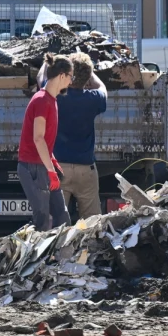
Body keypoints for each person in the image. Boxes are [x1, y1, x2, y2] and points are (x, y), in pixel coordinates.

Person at [18, 55, 73, 231]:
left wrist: (52, 162)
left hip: (42, 166)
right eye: (70, 76)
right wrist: (50, 170)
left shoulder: (50, 99)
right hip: (33, 168)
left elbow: (44, 140)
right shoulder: (42, 100)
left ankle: (62, 250)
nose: (71, 81)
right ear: (62, 76)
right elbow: (38, 138)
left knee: (62, 217)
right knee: (42, 221)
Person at [53, 54, 107, 221]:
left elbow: (42, 80)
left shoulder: (56, 96)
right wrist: (90, 74)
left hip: (59, 169)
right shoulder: (93, 99)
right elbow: (102, 88)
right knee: (93, 222)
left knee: (55, 225)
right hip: (86, 169)